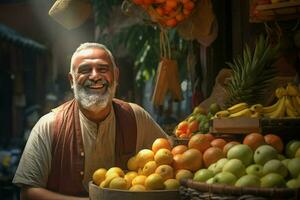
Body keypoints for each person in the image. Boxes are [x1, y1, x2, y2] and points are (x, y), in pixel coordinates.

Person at [13, 43, 169, 200]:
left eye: (103, 69)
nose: (95, 76)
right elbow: (28, 193)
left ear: (116, 75)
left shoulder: (136, 116)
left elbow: (172, 160)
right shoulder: (49, 125)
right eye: (85, 70)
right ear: (72, 80)